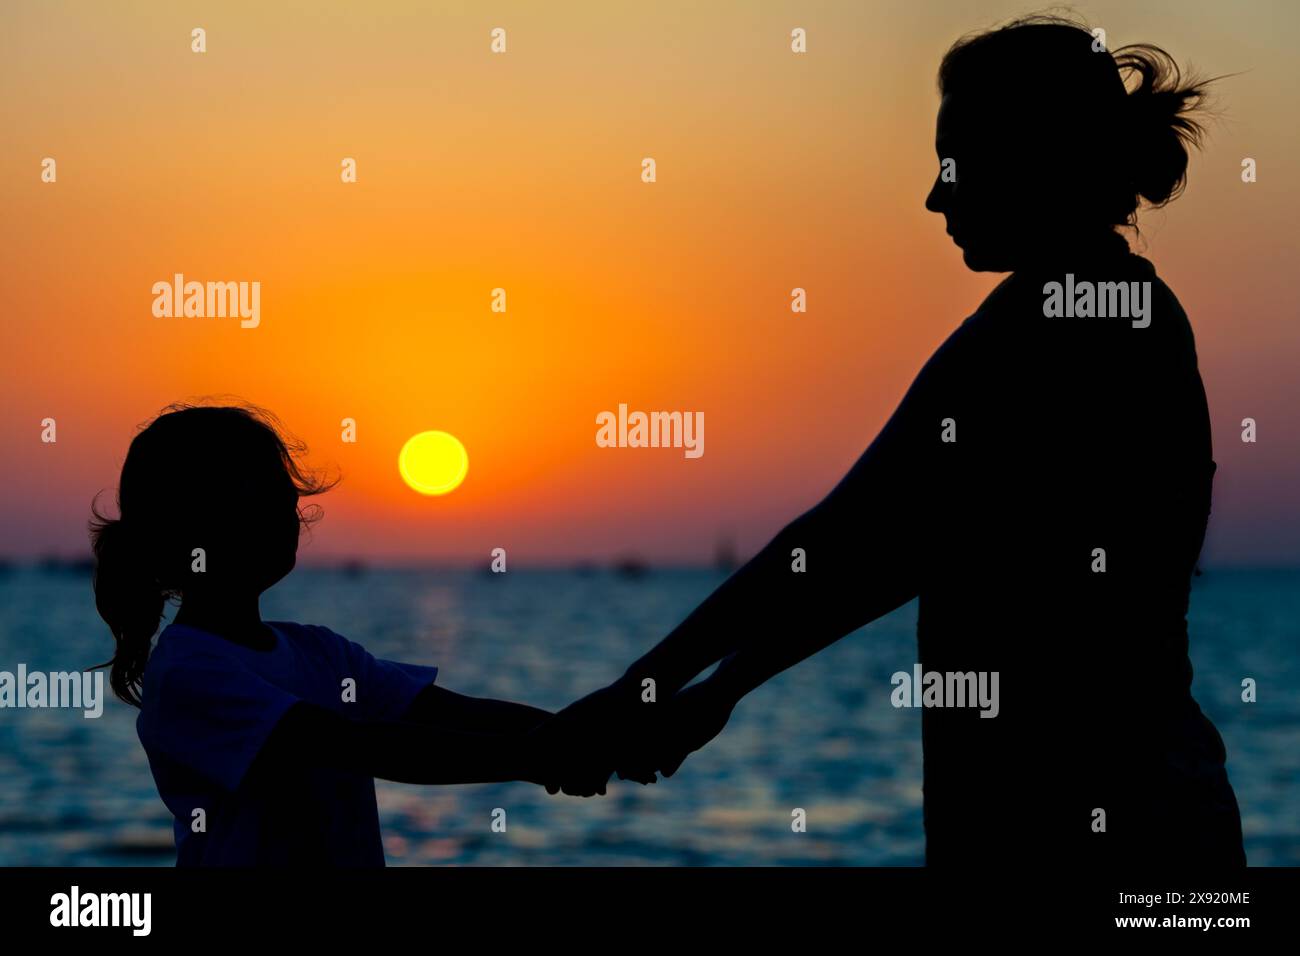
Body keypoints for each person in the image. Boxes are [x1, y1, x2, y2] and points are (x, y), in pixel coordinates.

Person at [538, 15, 1247, 867]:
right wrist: (709, 690)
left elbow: (840, 537)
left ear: (1034, 158)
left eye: (955, 166)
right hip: (1146, 808)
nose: (935, 197)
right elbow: (905, 551)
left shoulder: (1038, 326)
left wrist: (642, 693)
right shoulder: (1132, 314)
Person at [90, 402, 553, 866]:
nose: (290, 514)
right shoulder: (189, 674)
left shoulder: (321, 653)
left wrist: (580, 734)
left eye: (288, 498)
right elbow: (350, 747)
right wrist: (535, 757)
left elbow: (446, 714)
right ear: (196, 523)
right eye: (265, 497)